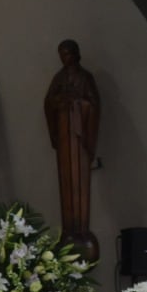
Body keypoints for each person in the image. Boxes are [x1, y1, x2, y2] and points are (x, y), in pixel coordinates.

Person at [43, 39, 100, 249]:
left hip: (79, 139)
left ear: (76, 54)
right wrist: (59, 102)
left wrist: (77, 104)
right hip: (65, 138)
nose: (64, 58)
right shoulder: (59, 78)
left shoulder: (85, 78)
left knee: (79, 181)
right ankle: (68, 229)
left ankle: (80, 230)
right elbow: (48, 102)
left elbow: (93, 104)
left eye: (67, 54)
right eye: (61, 54)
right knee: (66, 180)